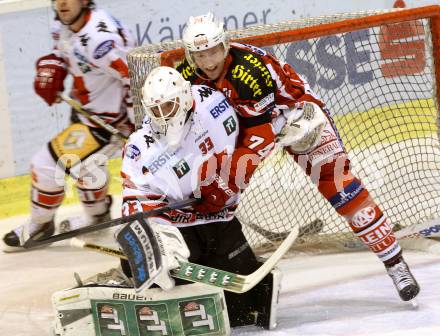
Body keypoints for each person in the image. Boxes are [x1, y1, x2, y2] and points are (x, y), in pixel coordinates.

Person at [176, 12, 420, 302]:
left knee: (340, 188)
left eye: (213, 51)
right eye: (200, 54)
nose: (208, 62)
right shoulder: (185, 78)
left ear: (225, 45)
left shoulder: (248, 71)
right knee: (210, 188)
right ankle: (219, 263)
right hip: (244, 123)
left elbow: (260, 135)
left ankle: (396, 265)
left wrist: (229, 183)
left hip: (297, 118)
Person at [117, 66, 281, 329]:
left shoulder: (213, 107)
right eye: (155, 110)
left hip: (219, 220)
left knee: (243, 306)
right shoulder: (140, 146)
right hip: (176, 228)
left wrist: (229, 181)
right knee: (168, 285)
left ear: (184, 99)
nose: (162, 116)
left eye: (168, 107)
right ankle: (134, 271)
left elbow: (256, 130)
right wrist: (158, 242)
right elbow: (133, 204)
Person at [1, 0, 135, 251]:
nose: (61, 3)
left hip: (106, 124)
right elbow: (62, 51)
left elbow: (134, 75)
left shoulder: (100, 40)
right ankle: (97, 218)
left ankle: (39, 226)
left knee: (45, 164)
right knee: (87, 167)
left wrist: (135, 124)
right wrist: (53, 67)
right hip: (87, 113)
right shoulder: (63, 22)